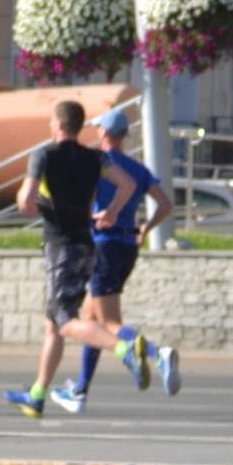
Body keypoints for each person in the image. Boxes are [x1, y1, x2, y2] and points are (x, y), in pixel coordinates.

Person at [3, 101, 157, 417]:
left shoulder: (44, 155)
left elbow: (26, 200)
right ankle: (37, 394)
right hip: (88, 246)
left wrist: (27, 198)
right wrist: (112, 212)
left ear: (58, 125)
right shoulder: (95, 157)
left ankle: (124, 348)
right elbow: (127, 184)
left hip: (62, 248)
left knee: (67, 322)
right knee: (53, 324)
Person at [49, 107, 179, 412]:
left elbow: (87, 198)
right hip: (127, 244)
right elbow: (165, 204)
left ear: (105, 133)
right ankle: (80, 391)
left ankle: (158, 355)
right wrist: (146, 227)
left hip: (103, 245)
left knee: (109, 322)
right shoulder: (136, 168)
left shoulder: (100, 162)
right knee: (91, 319)